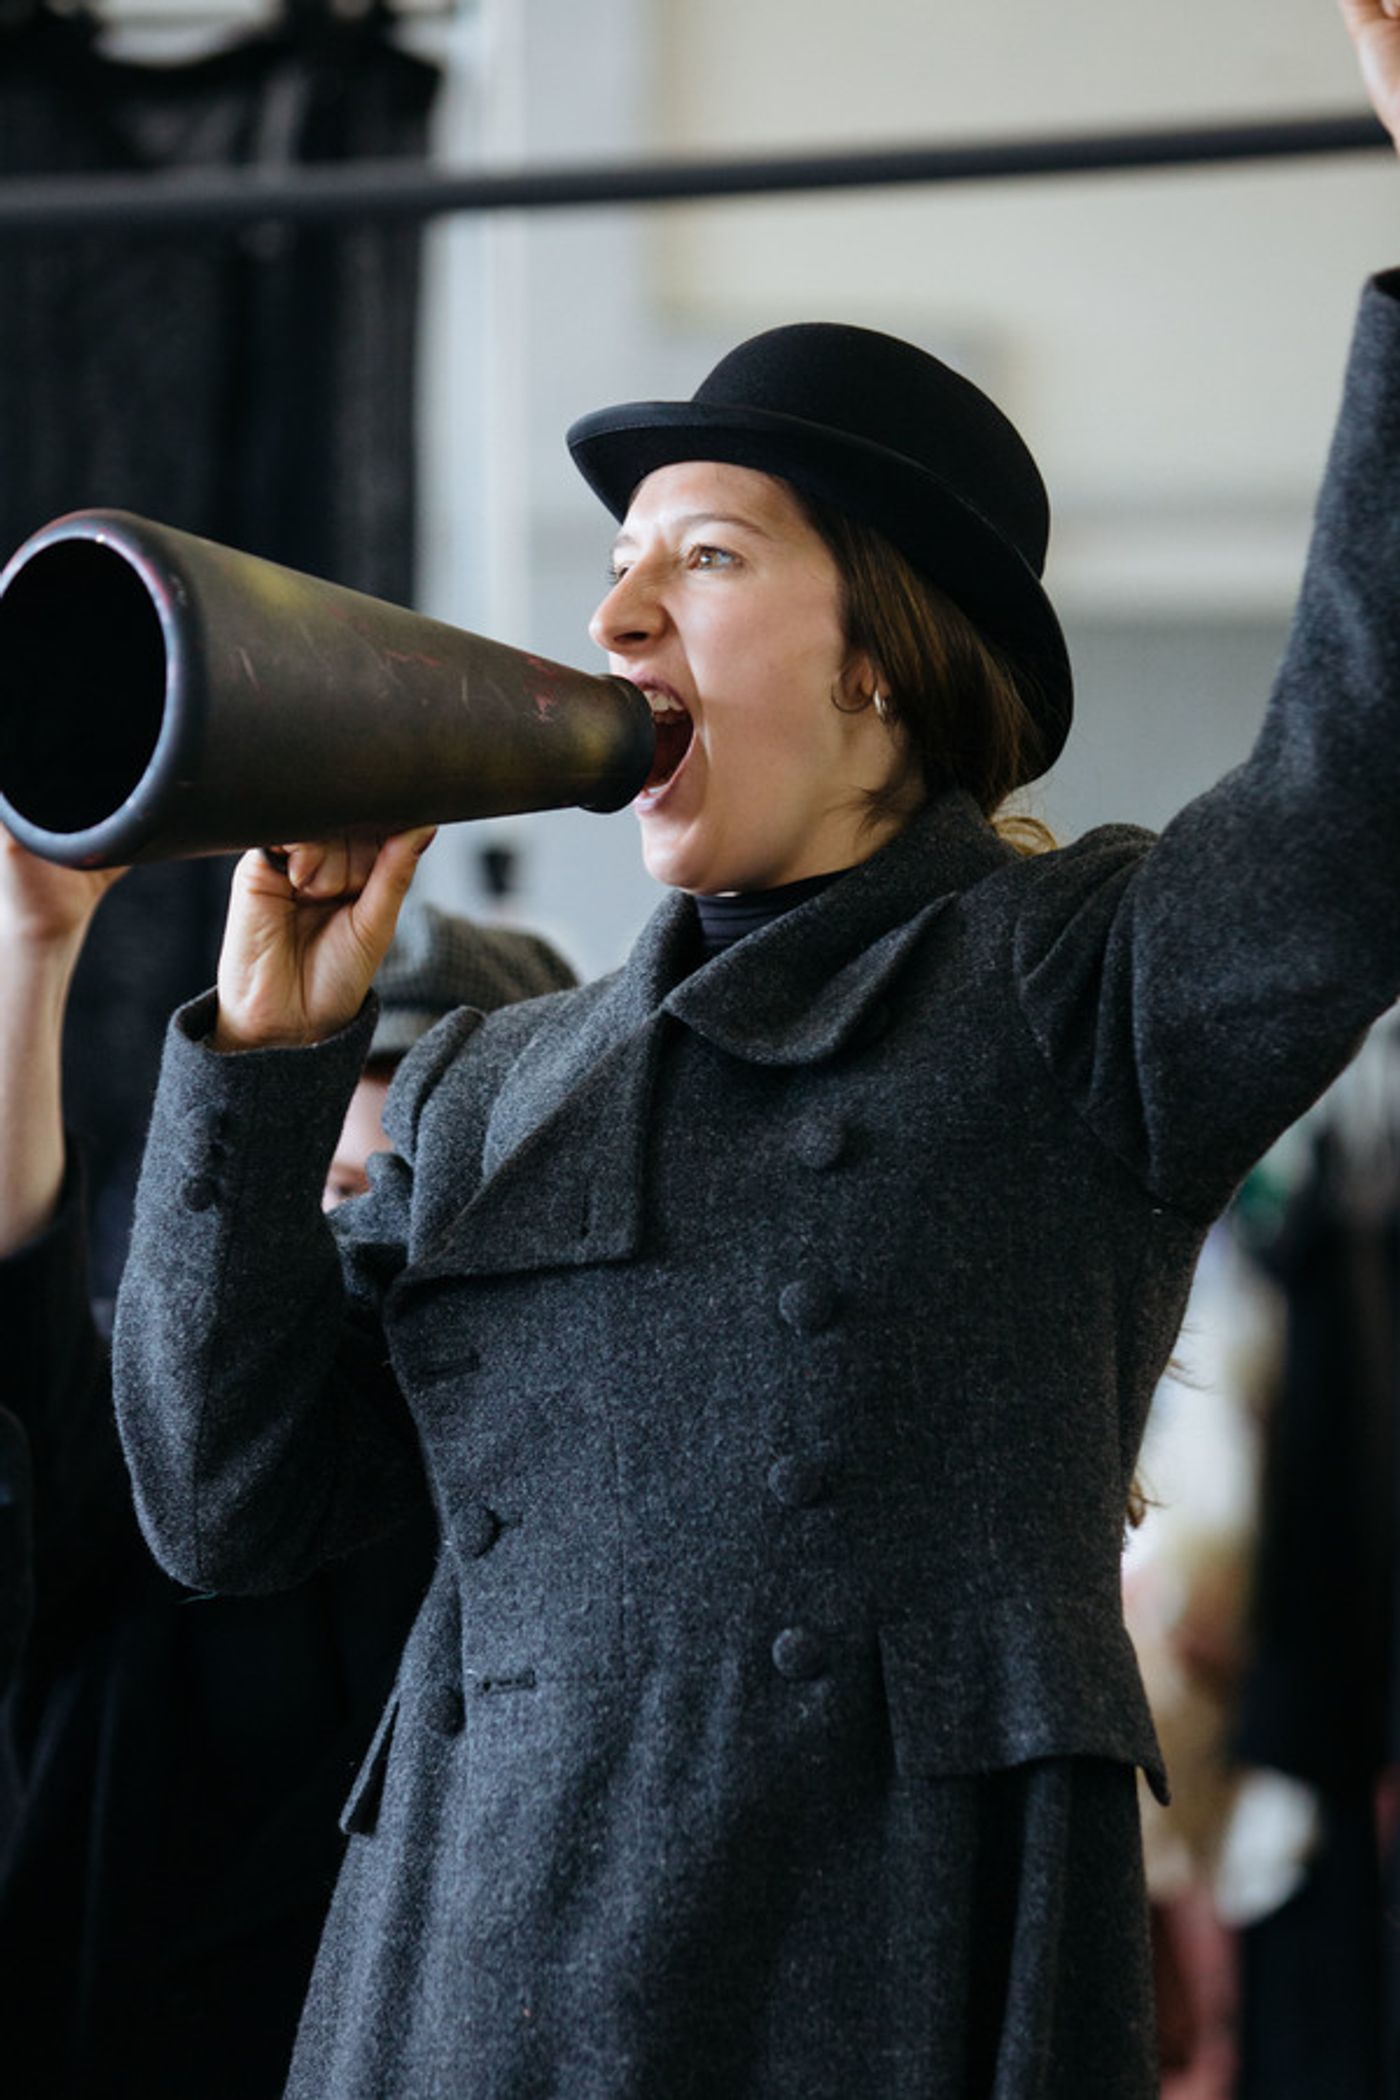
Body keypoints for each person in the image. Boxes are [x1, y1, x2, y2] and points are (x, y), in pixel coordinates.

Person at [108, 8, 1400, 2092]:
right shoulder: (490, 1081)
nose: (619, 621)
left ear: (880, 651)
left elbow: (1354, 814)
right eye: (616, 572)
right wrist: (267, 1047)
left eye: (701, 559)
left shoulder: (1069, 989)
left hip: (865, 1979)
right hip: (452, 1984)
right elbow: (221, 1502)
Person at [0, 837, 575, 2100]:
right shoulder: (163, 1443)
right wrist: (33, 958)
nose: (353, 1260)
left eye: (395, 1206)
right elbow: (21, 1372)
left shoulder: (578, 1510)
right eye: (313, 1198)